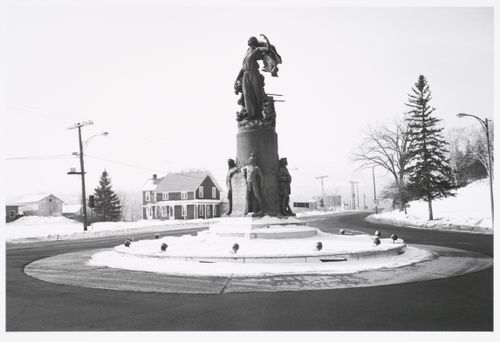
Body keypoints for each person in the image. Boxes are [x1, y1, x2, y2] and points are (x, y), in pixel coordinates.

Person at [234, 36, 269, 120]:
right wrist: (237, 78)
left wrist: (265, 42)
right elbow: (243, 67)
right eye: (248, 39)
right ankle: (250, 114)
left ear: (254, 42)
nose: (249, 41)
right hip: (246, 74)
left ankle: (259, 114)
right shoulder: (247, 51)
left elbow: (267, 49)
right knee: (246, 94)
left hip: (253, 73)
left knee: (257, 93)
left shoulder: (256, 50)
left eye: (251, 40)